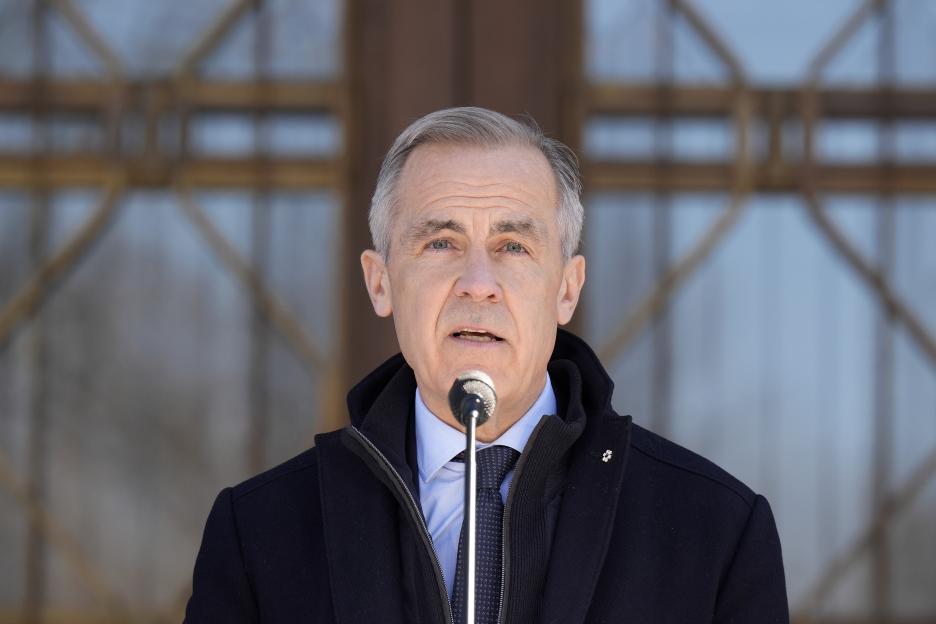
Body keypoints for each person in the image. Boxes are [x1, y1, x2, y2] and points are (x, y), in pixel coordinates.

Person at [184, 107, 789, 623]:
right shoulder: (258, 532)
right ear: (380, 282)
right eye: (441, 242)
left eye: (514, 246)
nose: (478, 284)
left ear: (566, 290)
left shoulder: (716, 531)